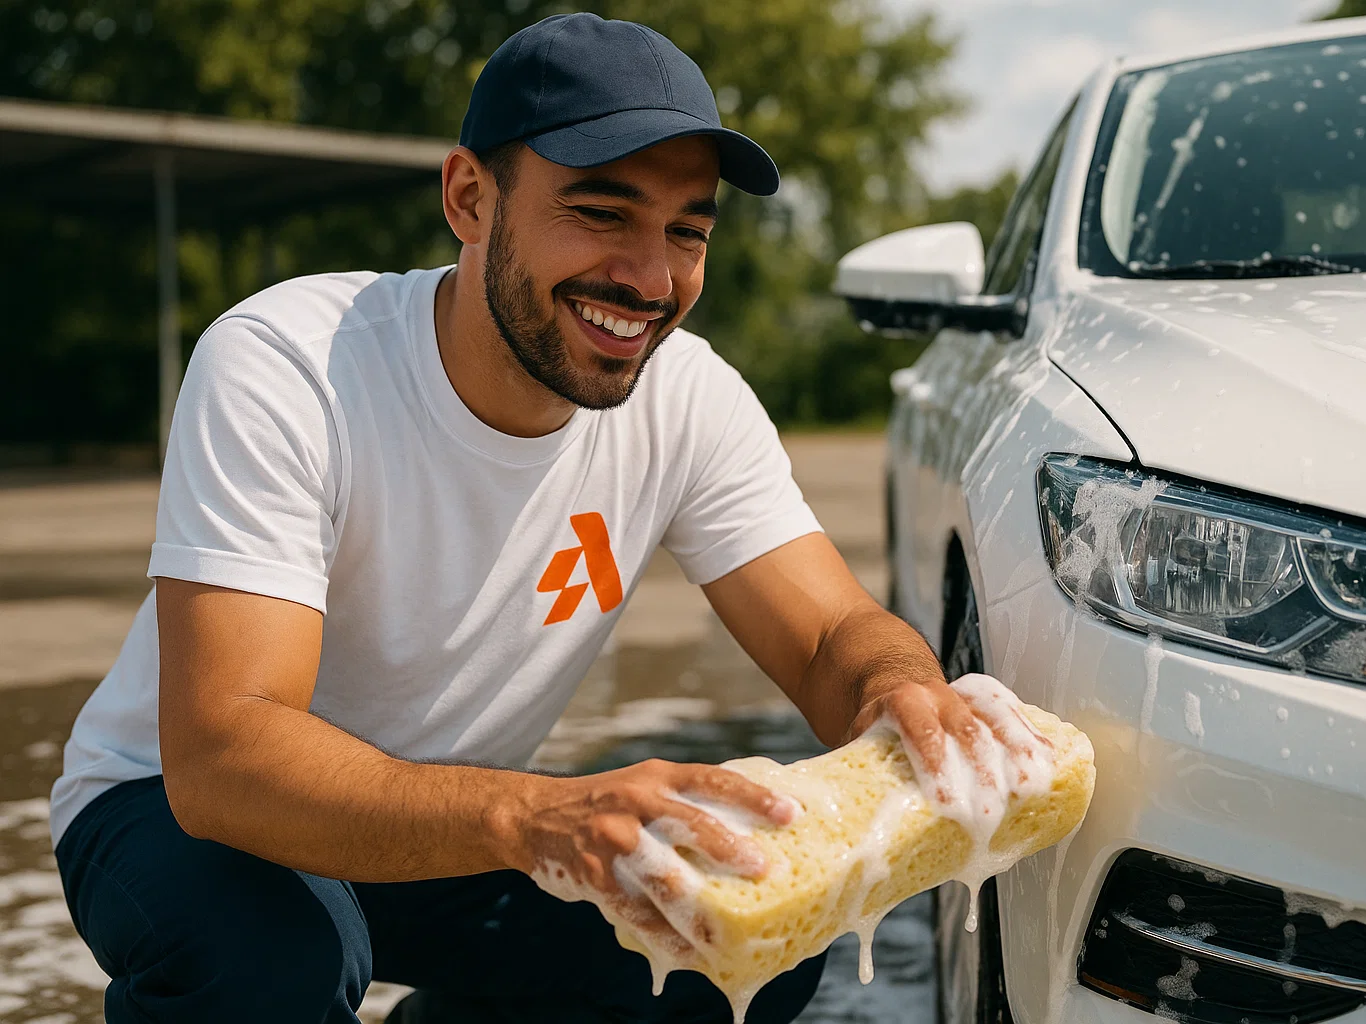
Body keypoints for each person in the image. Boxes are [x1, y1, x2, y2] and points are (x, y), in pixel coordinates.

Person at [49, 13, 1016, 1024]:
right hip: (179, 812)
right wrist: (535, 814)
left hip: (448, 826)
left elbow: (826, 635)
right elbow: (228, 755)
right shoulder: (290, 365)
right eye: (602, 211)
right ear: (471, 197)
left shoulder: (687, 397)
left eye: (687, 230)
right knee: (275, 959)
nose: (650, 278)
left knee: (735, 931)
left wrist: (900, 689)